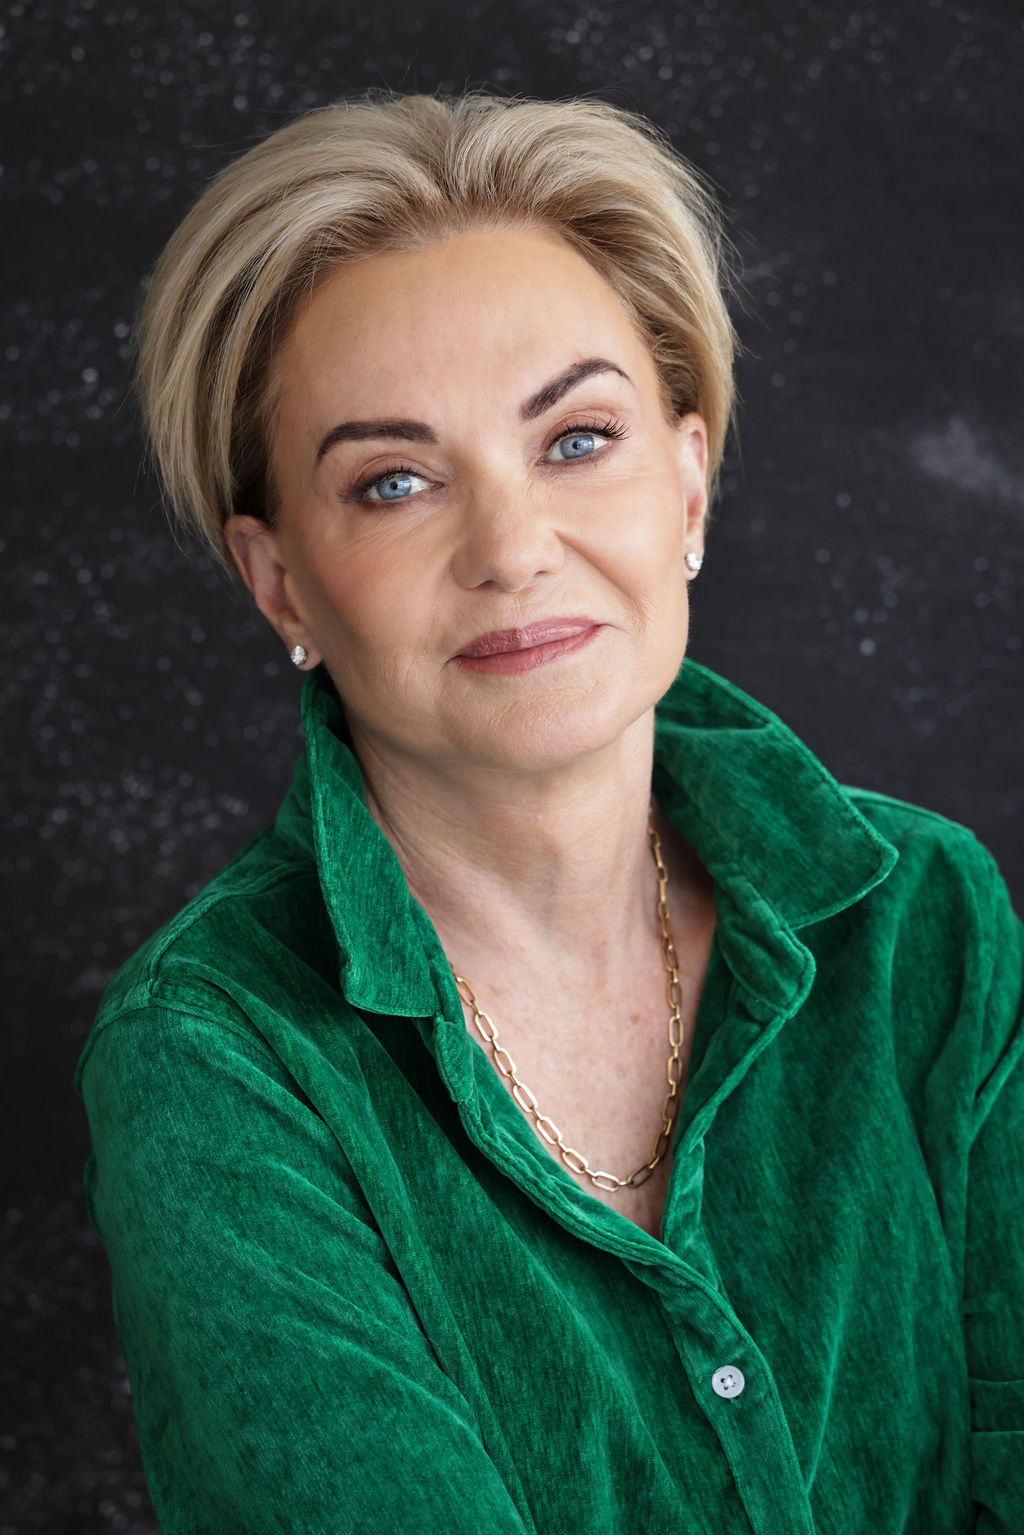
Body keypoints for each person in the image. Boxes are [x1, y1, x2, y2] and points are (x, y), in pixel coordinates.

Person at [76, 89, 1023, 1534]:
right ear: (280, 585)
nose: (513, 549)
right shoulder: (215, 1062)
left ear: (688, 485)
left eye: (577, 439)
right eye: (395, 482)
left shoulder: (926, 916)